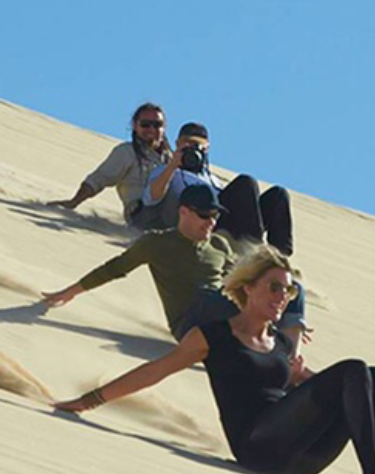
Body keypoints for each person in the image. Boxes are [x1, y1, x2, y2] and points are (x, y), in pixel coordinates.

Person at [54, 247, 375, 474]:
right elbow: (157, 369)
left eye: (288, 290)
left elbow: (343, 391)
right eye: (275, 287)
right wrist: (91, 400)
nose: (283, 297)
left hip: (301, 456)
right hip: (257, 446)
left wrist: (307, 378)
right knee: (355, 368)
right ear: (248, 288)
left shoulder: (280, 345)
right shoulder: (214, 336)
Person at [41, 185, 308, 347]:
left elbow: (240, 284)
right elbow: (114, 268)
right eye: (204, 215)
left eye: (215, 216)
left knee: (290, 288)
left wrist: (281, 309)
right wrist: (70, 292)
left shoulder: (219, 245)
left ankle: (287, 354)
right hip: (190, 321)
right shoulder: (157, 242)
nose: (211, 222)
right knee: (219, 298)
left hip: (224, 313)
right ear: (183, 212)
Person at [141, 122, 295, 253]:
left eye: (197, 144)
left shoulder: (213, 179)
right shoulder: (166, 171)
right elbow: (151, 198)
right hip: (196, 223)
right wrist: (173, 166)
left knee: (278, 195)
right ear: (177, 144)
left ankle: (279, 256)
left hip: (221, 220)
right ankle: (252, 247)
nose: (192, 148)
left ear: (206, 148)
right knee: (246, 182)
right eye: (187, 143)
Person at [46, 104, 173, 228]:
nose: (151, 129)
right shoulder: (127, 152)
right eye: (145, 124)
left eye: (157, 125)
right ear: (135, 126)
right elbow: (100, 178)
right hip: (142, 214)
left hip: (171, 213)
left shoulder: (171, 158)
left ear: (164, 127)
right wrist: (74, 202)